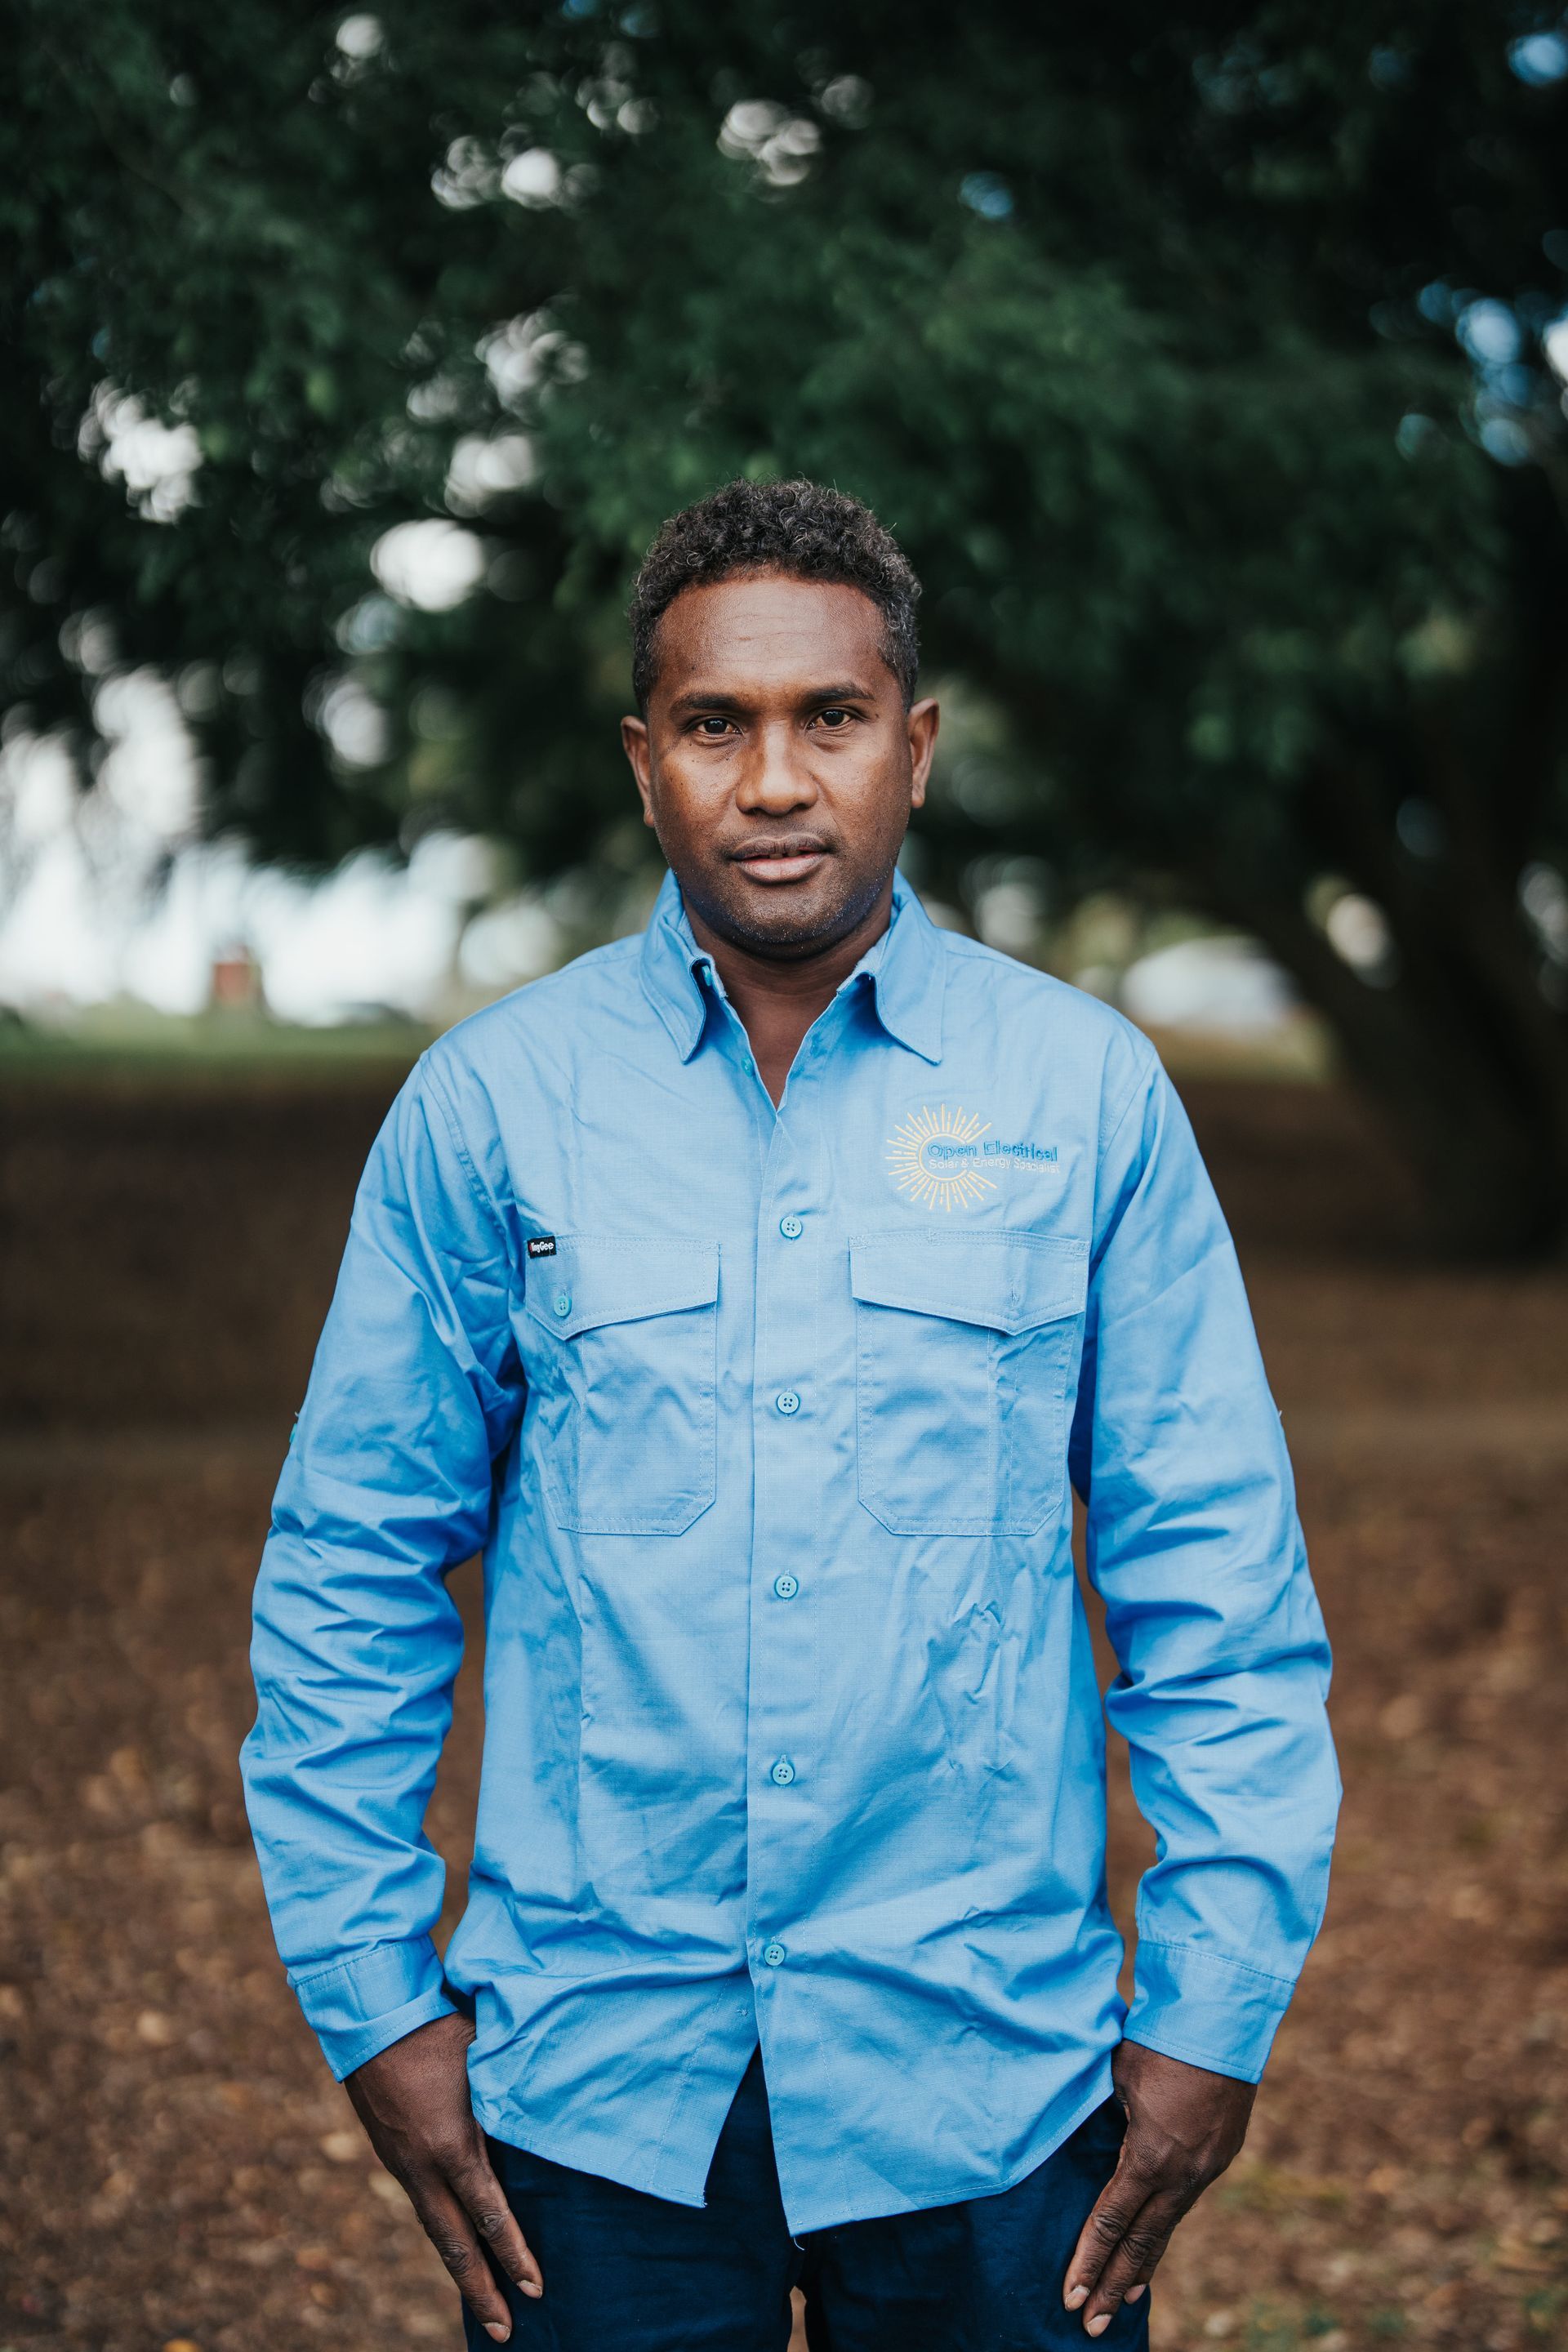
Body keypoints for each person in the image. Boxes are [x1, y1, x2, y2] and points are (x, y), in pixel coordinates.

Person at [242, 478, 1339, 2351]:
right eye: (714, 724)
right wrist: (374, 2001)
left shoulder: (1084, 1097)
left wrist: (1214, 2012)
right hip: (594, 2091)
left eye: (829, 717)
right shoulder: (490, 1107)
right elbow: (352, 1568)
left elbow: (1216, 1587)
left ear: (915, 746)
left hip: (992, 2085)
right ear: (643, 761)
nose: (772, 782)